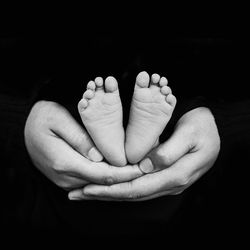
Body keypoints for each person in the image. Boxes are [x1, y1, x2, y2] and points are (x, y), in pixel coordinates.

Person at [1, 30, 248, 241]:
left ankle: (120, 148)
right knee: (167, 133)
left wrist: (225, 130)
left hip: (59, 103)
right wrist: (18, 122)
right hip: (194, 184)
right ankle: (145, 144)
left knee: (71, 99)